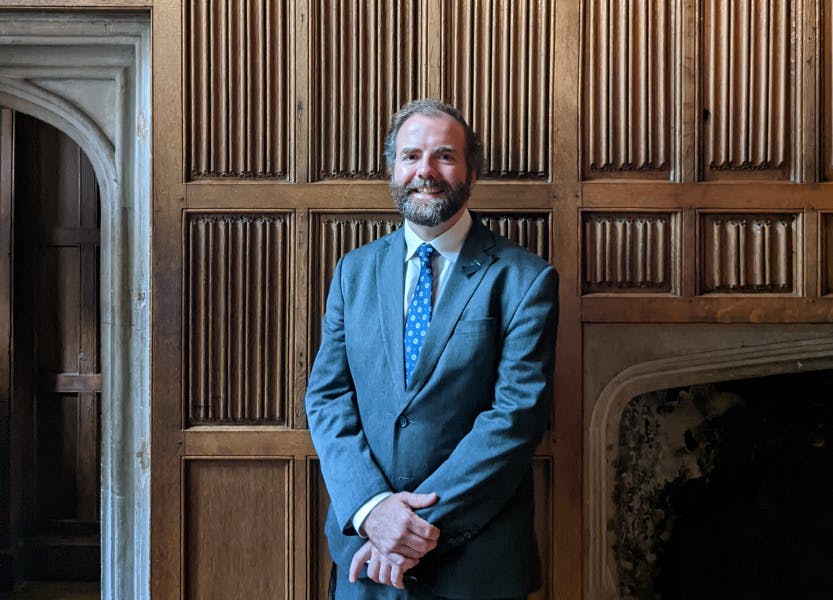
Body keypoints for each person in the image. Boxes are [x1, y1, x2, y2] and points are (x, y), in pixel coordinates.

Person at [305, 99, 559, 599]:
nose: (426, 170)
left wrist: (407, 533)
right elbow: (327, 399)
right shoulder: (353, 272)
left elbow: (514, 419)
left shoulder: (525, 279)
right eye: (411, 156)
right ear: (392, 170)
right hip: (364, 561)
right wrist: (373, 510)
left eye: (444, 155)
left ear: (472, 171)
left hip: (474, 566)